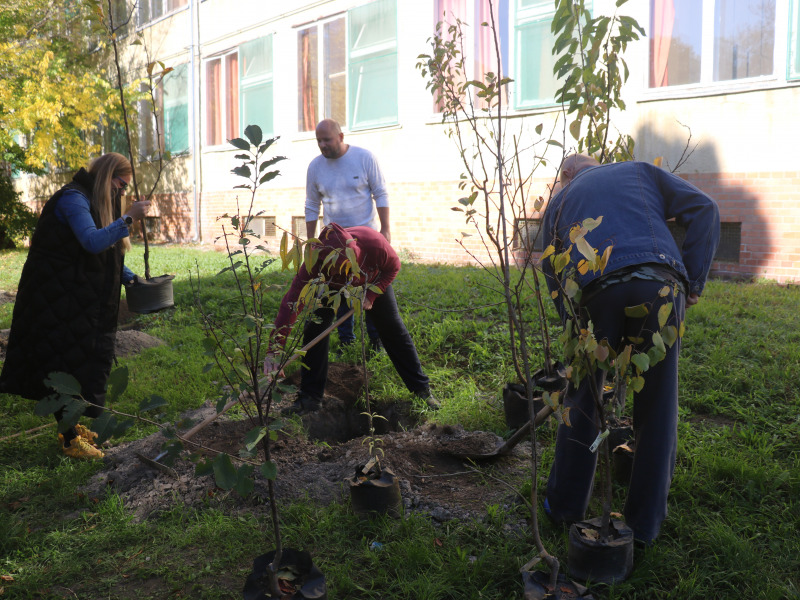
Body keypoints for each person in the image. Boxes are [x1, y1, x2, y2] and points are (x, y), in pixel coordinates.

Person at [541, 155, 720, 545]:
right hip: (659, 283)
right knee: (656, 407)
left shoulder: (559, 199)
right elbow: (706, 208)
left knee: (583, 401)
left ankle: (565, 506)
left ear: (567, 174)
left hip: (593, 293)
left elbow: (550, 266)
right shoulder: (639, 170)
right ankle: (644, 526)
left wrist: (570, 320)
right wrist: (693, 283)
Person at [0, 153, 151, 460]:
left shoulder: (91, 201)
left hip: (70, 297)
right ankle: (69, 439)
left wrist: (129, 278)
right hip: (52, 296)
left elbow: (101, 255)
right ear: (108, 176)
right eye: (120, 185)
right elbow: (92, 242)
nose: (120, 193)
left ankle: (70, 427)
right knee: (59, 362)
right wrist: (129, 218)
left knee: (71, 362)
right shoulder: (73, 199)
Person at [264, 223, 438, 412]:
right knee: (315, 330)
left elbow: (393, 268)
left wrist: (371, 295)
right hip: (329, 286)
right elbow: (292, 302)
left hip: (371, 281)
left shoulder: (375, 244)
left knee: (393, 329)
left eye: (347, 269)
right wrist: (275, 349)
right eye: (339, 271)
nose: (345, 277)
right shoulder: (315, 260)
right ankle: (310, 399)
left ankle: (422, 391)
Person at [305, 118, 389, 352]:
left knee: (370, 289)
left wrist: (385, 229)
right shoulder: (315, 167)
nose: (322, 145)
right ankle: (346, 341)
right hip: (335, 243)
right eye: (318, 141)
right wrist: (311, 241)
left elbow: (380, 193)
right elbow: (312, 205)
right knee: (339, 290)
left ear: (340, 137)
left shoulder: (364, 158)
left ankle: (375, 341)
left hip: (367, 241)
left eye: (327, 140)